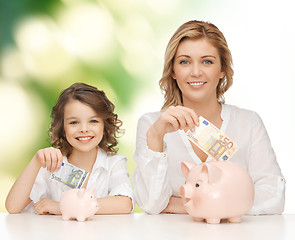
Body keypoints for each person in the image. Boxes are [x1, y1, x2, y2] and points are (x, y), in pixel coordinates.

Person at [132, 20, 285, 215]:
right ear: (173, 71)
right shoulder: (151, 125)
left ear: (222, 70)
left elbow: (274, 196)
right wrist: (155, 136)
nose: (196, 72)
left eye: (207, 61)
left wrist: (187, 204)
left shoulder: (249, 123)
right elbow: (150, 205)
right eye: (184, 62)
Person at [6, 83, 133, 215]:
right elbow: (13, 207)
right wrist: (36, 161)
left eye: (93, 121)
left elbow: (125, 204)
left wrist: (62, 207)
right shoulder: (51, 164)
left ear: (104, 125)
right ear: (62, 127)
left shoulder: (114, 163)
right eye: (74, 122)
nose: (84, 129)